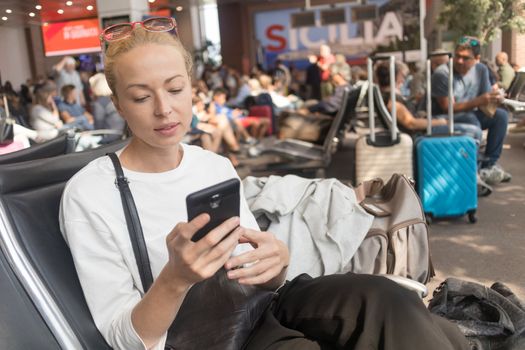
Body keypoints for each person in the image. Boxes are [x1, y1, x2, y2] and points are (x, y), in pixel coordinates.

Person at [60, 18, 470, 350]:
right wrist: (175, 280)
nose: (164, 108)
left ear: (191, 87)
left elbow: (256, 271)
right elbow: (122, 338)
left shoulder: (214, 165)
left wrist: (276, 262)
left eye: (175, 88)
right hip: (199, 336)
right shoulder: (91, 194)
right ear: (117, 104)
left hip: (259, 306)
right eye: (140, 96)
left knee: (388, 300)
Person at [431, 36, 511, 185]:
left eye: (465, 58)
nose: (459, 61)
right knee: (472, 121)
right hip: (444, 117)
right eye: (457, 56)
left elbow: (485, 102)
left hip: (470, 113)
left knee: (501, 116)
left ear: (477, 58)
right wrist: (479, 100)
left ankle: (489, 165)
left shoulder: (481, 70)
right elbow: (447, 108)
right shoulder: (442, 73)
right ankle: (472, 173)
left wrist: (495, 99)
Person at [375, 61, 482, 141]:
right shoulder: (392, 100)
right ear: (395, 76)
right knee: (474, 131)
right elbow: (411, 123)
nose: (403, 79)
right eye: (402, 76)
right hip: (420, 133)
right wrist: (442, 122)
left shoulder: (391, 96)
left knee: (469, 117)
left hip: (422, 125)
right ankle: (477, 164)